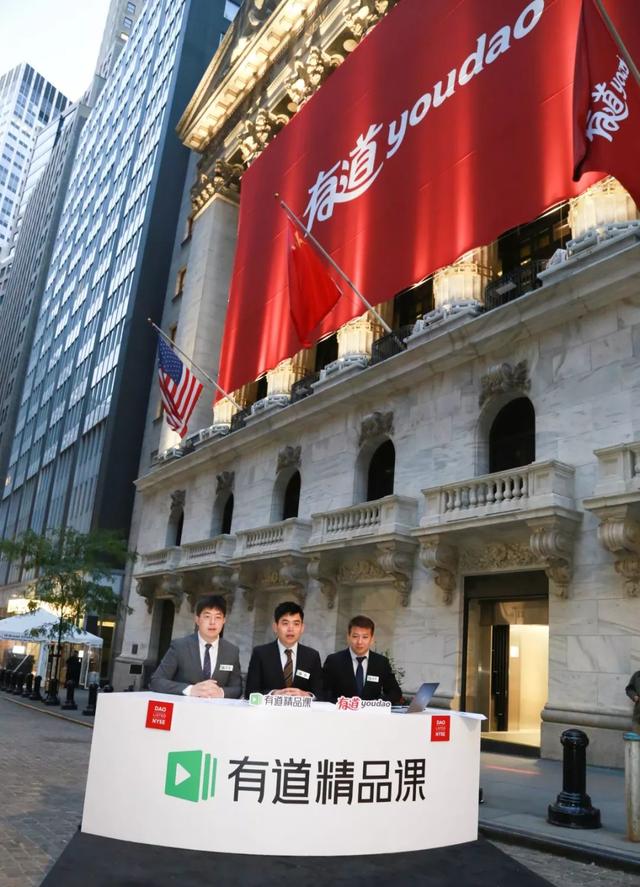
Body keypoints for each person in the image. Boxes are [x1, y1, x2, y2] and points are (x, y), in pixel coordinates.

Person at [150, 594, 242, 698]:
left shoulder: (232, 651)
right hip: (185, 706)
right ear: (197, 620)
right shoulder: (180, 646)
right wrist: (191, 689)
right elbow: (156, 681)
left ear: (224, 620)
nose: (212, 622)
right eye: (207, 616)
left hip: (216, 707)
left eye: (218, 617)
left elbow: (237, 688)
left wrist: (221, 692)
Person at [245, 601, 323, 698]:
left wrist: (307, 695)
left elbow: (320, 693)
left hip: (300, 707)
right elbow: (250, 692)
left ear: (302, 628)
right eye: (285, 623)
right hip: (269, 707)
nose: (291, 629)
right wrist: (273, 694)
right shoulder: (260, 654)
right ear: (275, 627)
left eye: (296, 624)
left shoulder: (312, 656)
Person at [323, 615, 403, 704]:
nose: (359, 642)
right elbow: (323, 692)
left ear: (372, 639)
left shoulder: (381, 662)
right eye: (355, 636)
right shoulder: (334, 661)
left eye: (365, 637)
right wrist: (343, 704)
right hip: (341, 710)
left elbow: (395, 692)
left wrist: (377, 704)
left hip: (371, 711)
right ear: (348, 637)